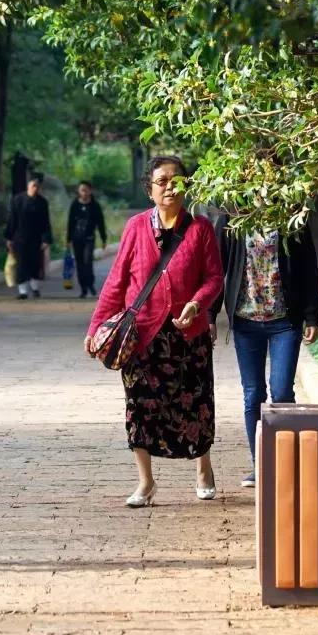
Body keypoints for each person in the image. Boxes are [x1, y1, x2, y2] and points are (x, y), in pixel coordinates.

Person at [85, 155, 223, 506]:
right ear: (150, 189)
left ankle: (203, 467)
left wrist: (197, 304)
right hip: (142, 334)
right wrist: (96, 324)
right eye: (162, 181)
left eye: (176, 181)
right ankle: (145, 482)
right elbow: (116, 282)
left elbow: (213, 278)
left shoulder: (200, 229)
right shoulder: (134, 228)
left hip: (187, 333)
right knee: (140, 405)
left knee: (196, 403)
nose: (170, 187)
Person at [211, 211, 318, 489]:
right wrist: (209, 316)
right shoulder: (230, 219)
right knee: (253, 394)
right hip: (246, 319)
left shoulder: (291, 217)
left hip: (285, 319)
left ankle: (286, 461)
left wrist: (312, 316)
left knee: (282, 390)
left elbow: (309, 267)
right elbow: (216, 269)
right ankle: (259, 463)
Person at [5, 171, 53, 299]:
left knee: (34, 263)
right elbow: (12, 219)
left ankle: (35, 288)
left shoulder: (42, 202)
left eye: (37, 187)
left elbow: (46, 222)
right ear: (28, 186)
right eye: (33, 186)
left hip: (36, 238)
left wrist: (46, 239)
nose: (35, 189)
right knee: (21, 264)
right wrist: (9, 237)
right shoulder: (17, 200)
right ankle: (22, 291)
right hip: (19, 238)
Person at [66, 180, 107, 299]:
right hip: (76, 238)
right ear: (78, 192)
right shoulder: (75, 205)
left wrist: (103, 238)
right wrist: (68, 240)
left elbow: (100, 223)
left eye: (86, 190)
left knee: (88, 261)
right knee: (79, 263)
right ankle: (83, 287)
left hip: (89, 238)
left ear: (90, 191)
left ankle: (90, 283)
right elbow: (70, 223)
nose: (84, 192)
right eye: (82, 190)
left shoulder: (95, 205)